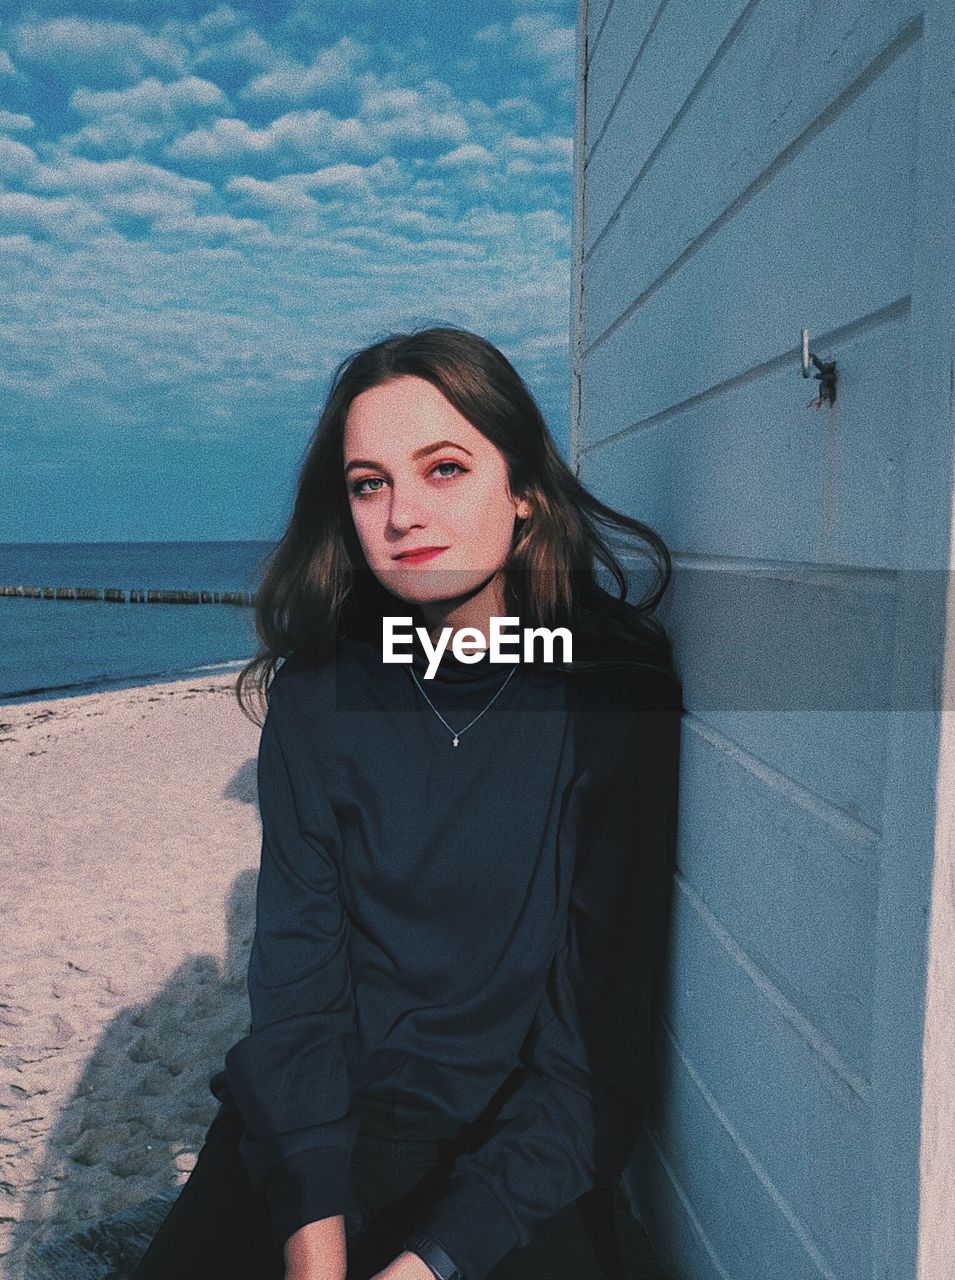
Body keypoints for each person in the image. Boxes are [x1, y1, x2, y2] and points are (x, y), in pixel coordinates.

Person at [130, 326, 683, 1280]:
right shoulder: (317, 698)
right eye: (369, 482)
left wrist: (427, 1265)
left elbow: (595, 1052)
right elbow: (296, 1007)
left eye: (444, 468)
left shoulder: (610, 696)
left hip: (518, 1146)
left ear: (523, 491)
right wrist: (317, 1251)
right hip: (319, 1127)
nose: (402, 516)